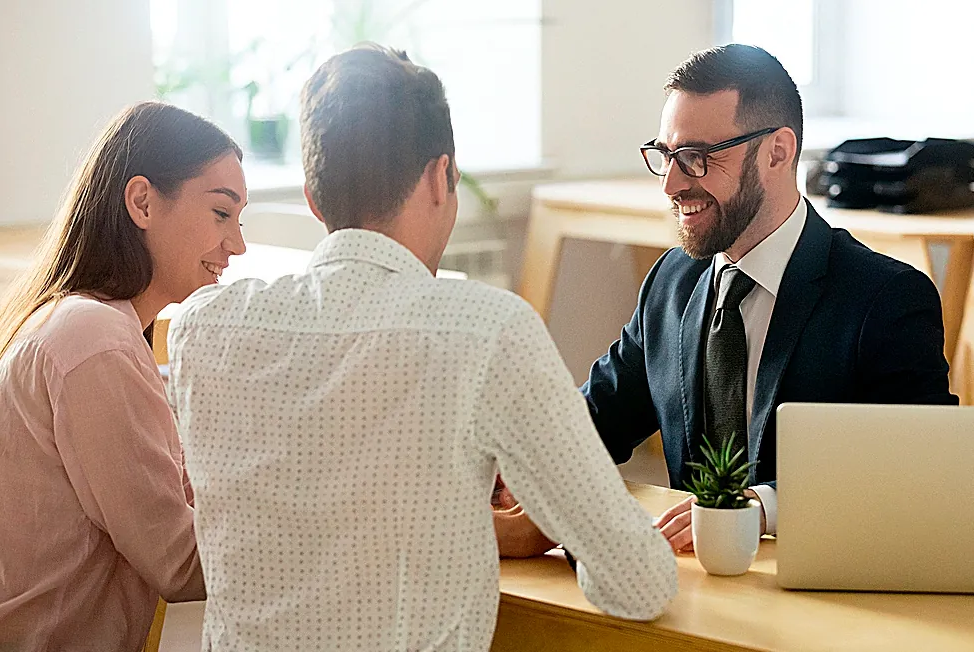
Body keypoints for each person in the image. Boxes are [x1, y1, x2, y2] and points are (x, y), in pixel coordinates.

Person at [166, 44, 677, 652]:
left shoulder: (204, 327)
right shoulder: (488, 332)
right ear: (441, 177)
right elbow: (639, 581)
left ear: (313, 197)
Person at [499, 43, 956, 556]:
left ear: (778, 153)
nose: (672, 184)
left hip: (813, 591)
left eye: (696, 159)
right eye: (665, 156)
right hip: (686, 589)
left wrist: (760, 508)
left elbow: (915, 473)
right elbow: (595, 417)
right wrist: (508, 466)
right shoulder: (672, 282)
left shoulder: (886, 299)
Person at [0, 101, 247, 651]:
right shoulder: (94, 339)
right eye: (221, 214)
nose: (237, 244)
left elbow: (177, 500)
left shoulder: (83, 324)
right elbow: (181, 564)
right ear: (142, 202)